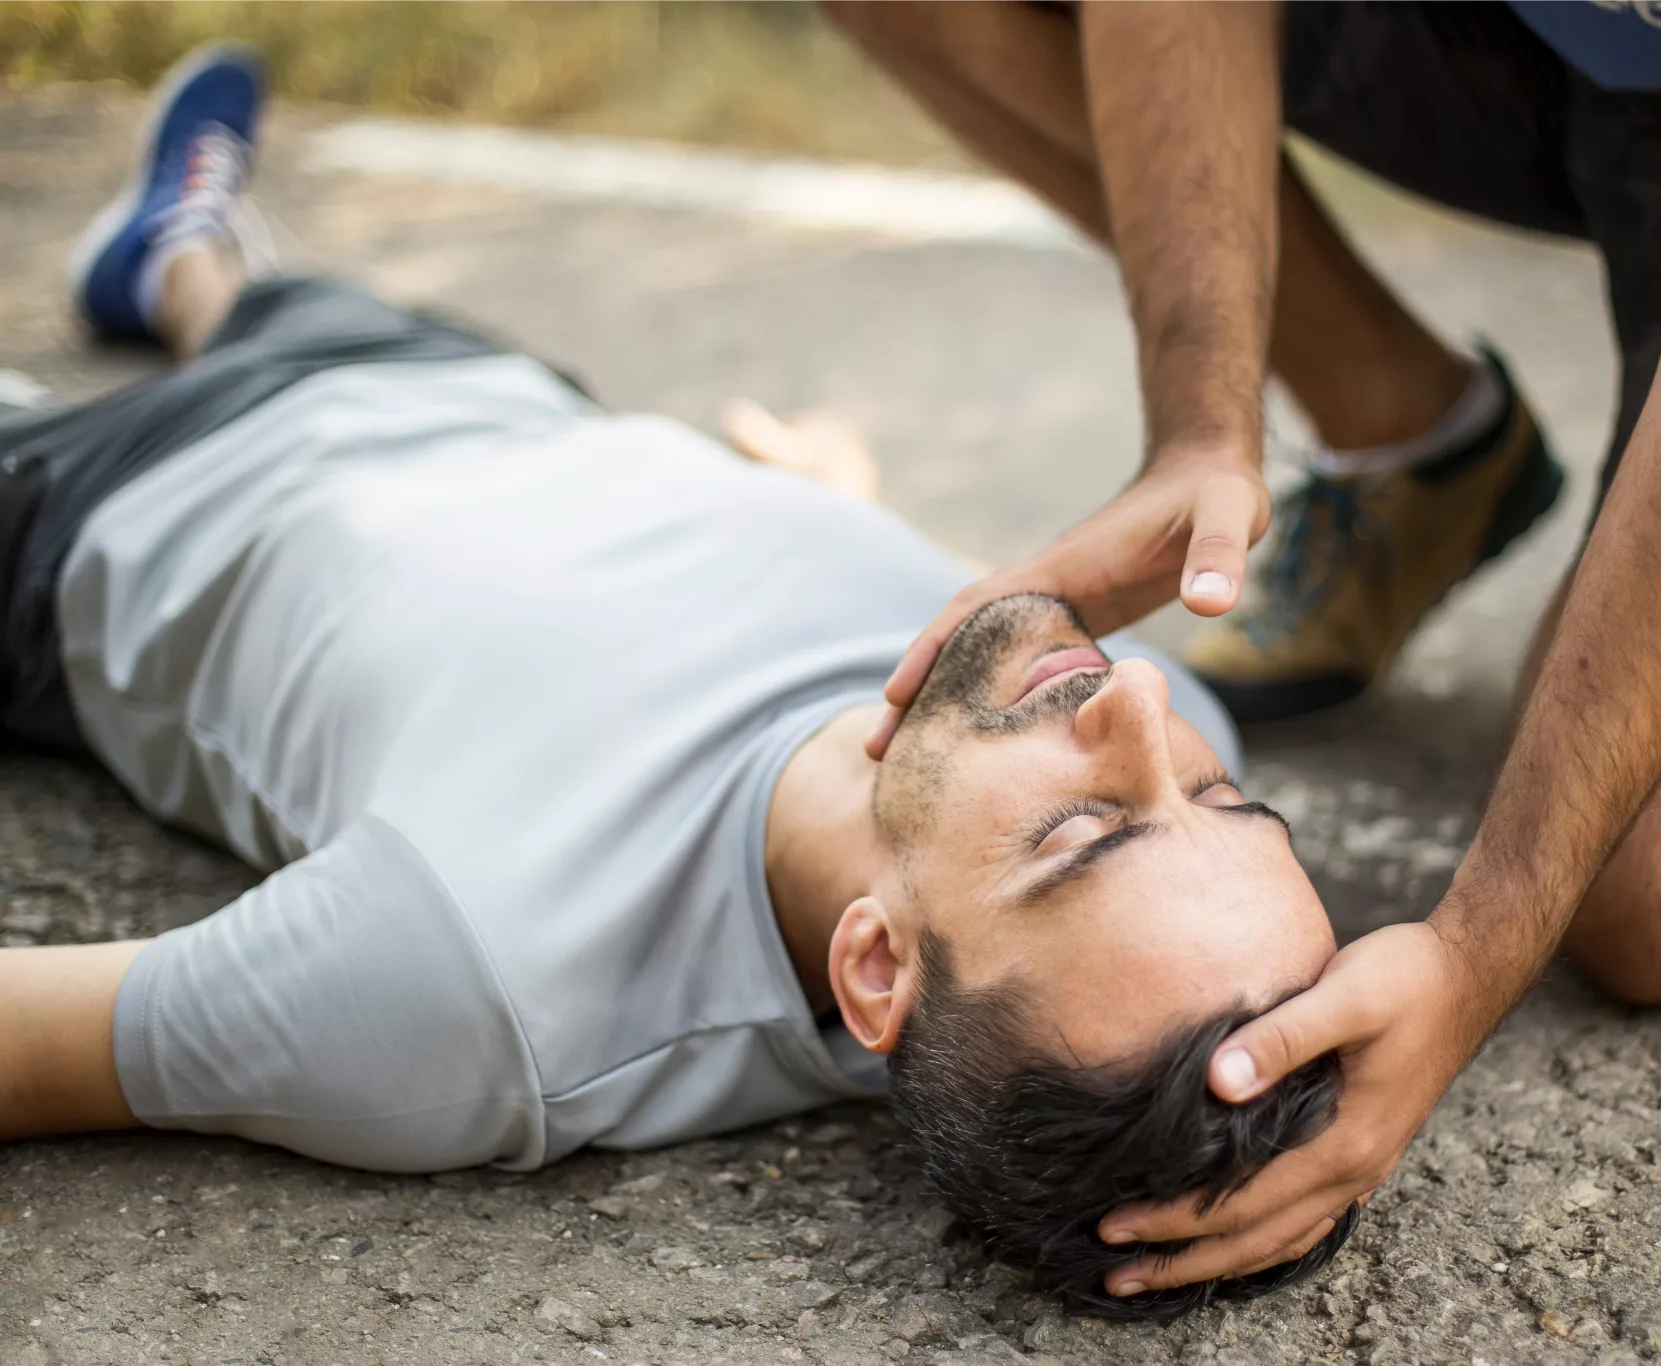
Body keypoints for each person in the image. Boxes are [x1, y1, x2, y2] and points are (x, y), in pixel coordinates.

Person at [0, 47, 1354, 1319]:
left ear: (877, 964)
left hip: (108, 516)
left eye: (1084, 827)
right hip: (493, 396)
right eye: (1225, 801)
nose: (1140, 710)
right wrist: (838, 508)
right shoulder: (1102, 705)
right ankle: (176, 253)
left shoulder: (475, 986)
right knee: (244, 296)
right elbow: (1072, 672)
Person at [828, 0, 1661, 1298]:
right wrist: (1201, 423)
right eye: (1219, 797)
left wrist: (1488, 934)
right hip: (1541, 43)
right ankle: (1411, 433)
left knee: (1655, 890)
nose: (1141, 688)